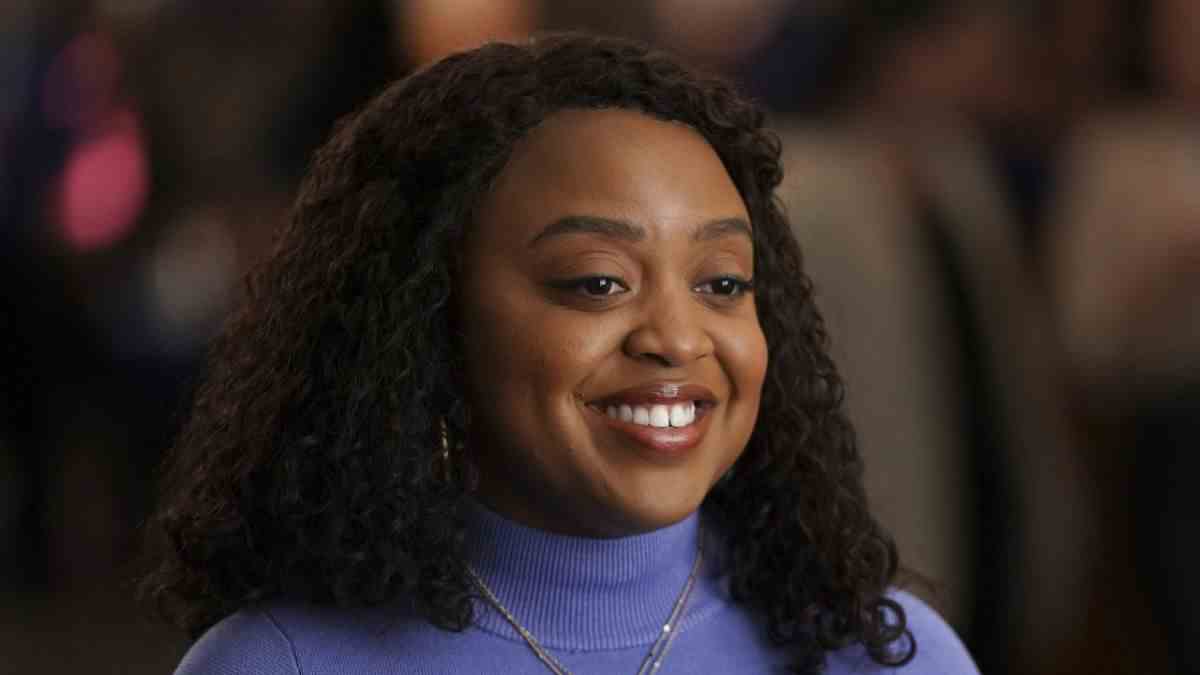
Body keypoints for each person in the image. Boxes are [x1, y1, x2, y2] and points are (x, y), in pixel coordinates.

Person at [143, 33, 978, 674]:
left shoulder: (884, 655)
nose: (678, 338)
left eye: (722, 283)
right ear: (429, 317)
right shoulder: (278, 664)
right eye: (598, 282)